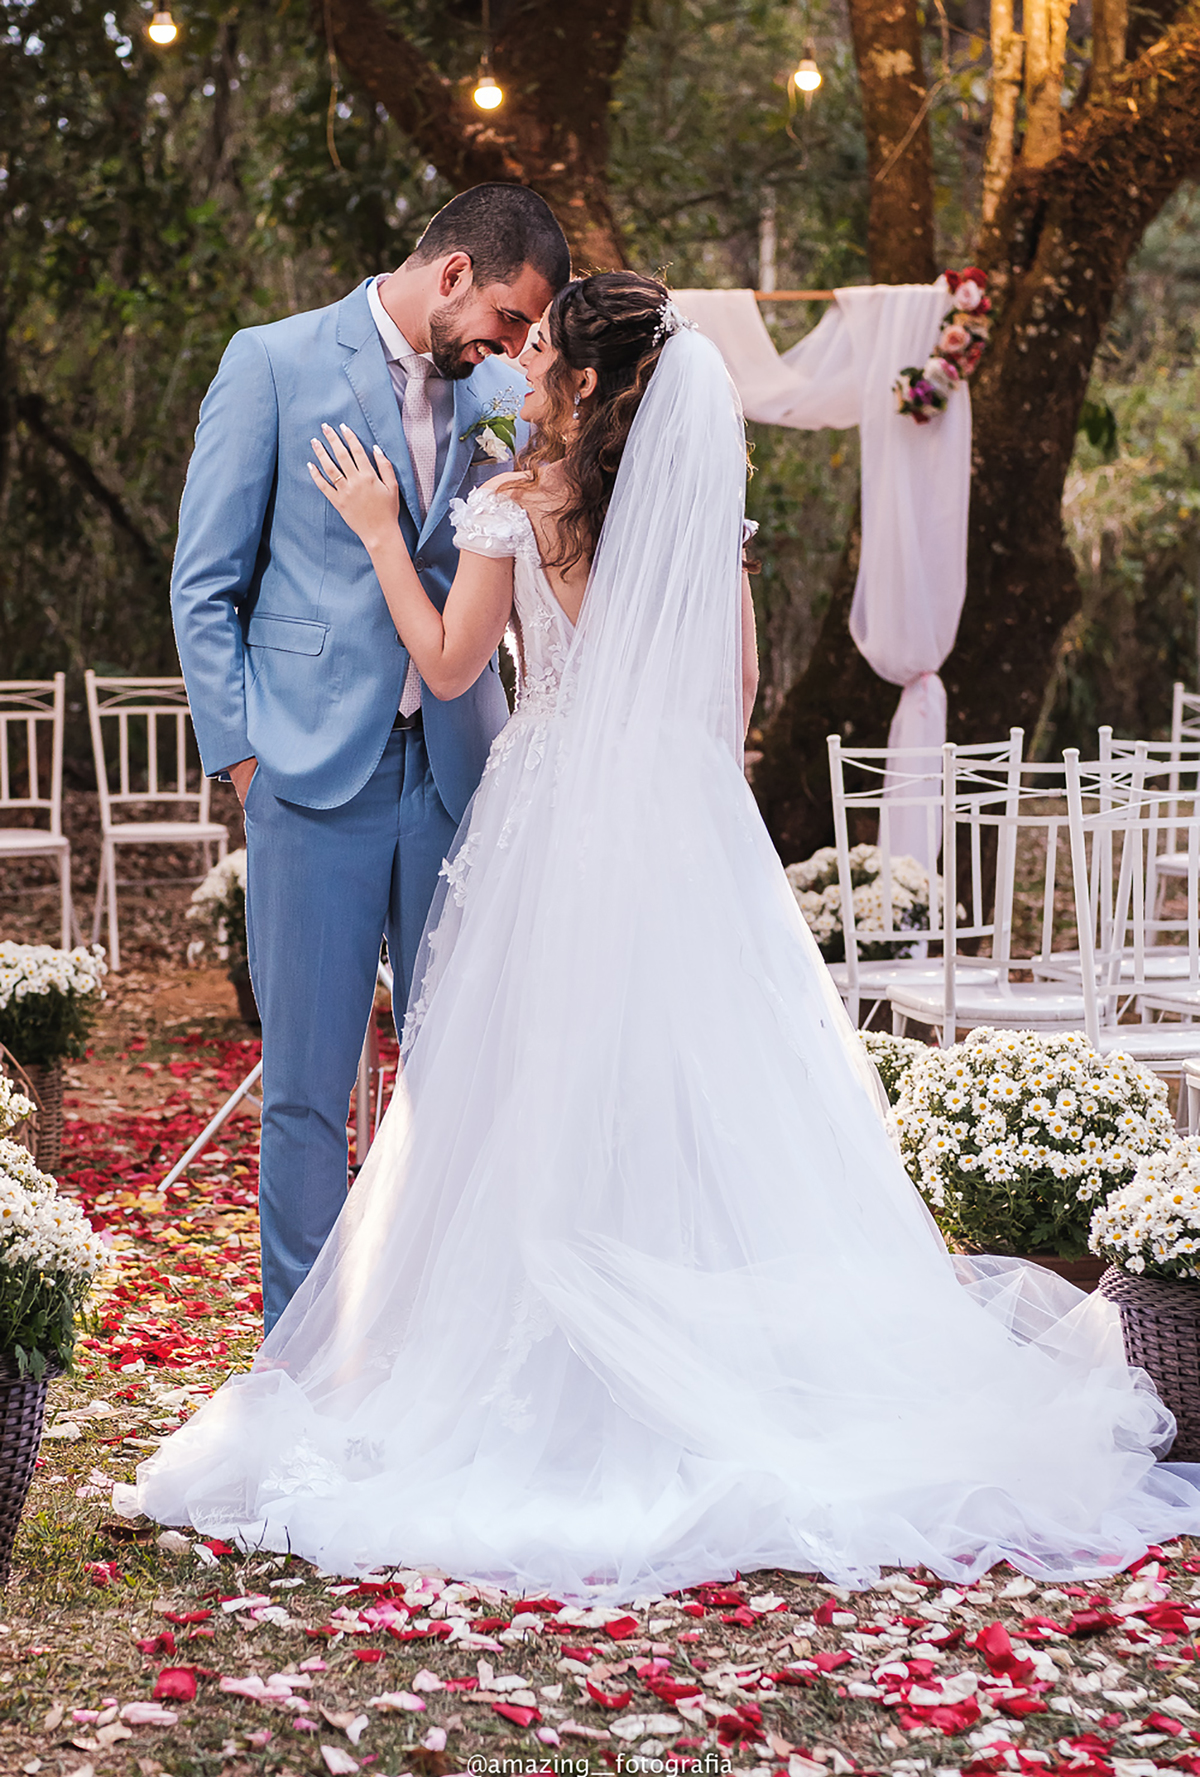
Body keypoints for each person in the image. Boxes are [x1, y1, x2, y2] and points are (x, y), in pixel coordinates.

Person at [132, 272, 1200, 1600]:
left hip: (554, 810)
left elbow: (454, 666)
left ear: (583, 381)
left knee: (533, 1087)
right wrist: (673, 779)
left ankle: (545, 1355)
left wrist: (369, 530)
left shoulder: (513, 506)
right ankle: (691, 1333)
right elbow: (734, 693)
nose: (517, 369)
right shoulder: (699, 519)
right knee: (702, 1084)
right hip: (681, 818)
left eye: (537, 355)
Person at [171, 185, 570, 1334]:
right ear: (452, 273)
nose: (504, 348)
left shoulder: (504, 397)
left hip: (458, 776)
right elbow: (204, 586)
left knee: (462, 1078)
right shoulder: (274, 362)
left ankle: (442, 1355)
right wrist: (246, 763)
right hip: (307, 781)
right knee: (304, 1090)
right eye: (501, 317)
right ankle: (300, 1359)